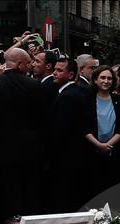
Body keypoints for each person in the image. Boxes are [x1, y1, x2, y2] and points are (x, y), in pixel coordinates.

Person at [0, 48, 46, 223]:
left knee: (5, 197)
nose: (30, 66)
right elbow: (42, 118)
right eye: (28, 63)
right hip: (30, 152)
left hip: (0, 151)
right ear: (20, 63)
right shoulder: (35, 86)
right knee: (29, 197)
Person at [50, 57, 90, 212]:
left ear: (71, 75)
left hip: (66, 158)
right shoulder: (77, 91)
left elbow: (60, 130)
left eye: (60, 70)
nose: (54, 73)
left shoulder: (68, 96)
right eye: (54, 69)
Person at [84, 66, 120, 201]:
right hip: (91, 152)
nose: (106, 81)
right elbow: (83, 126)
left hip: (113, 152)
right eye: (102, 77)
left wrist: (108, 145)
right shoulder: (86, 99)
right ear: (95, 80)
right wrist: (98, 145)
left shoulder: (119, 100)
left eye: (109, 78)